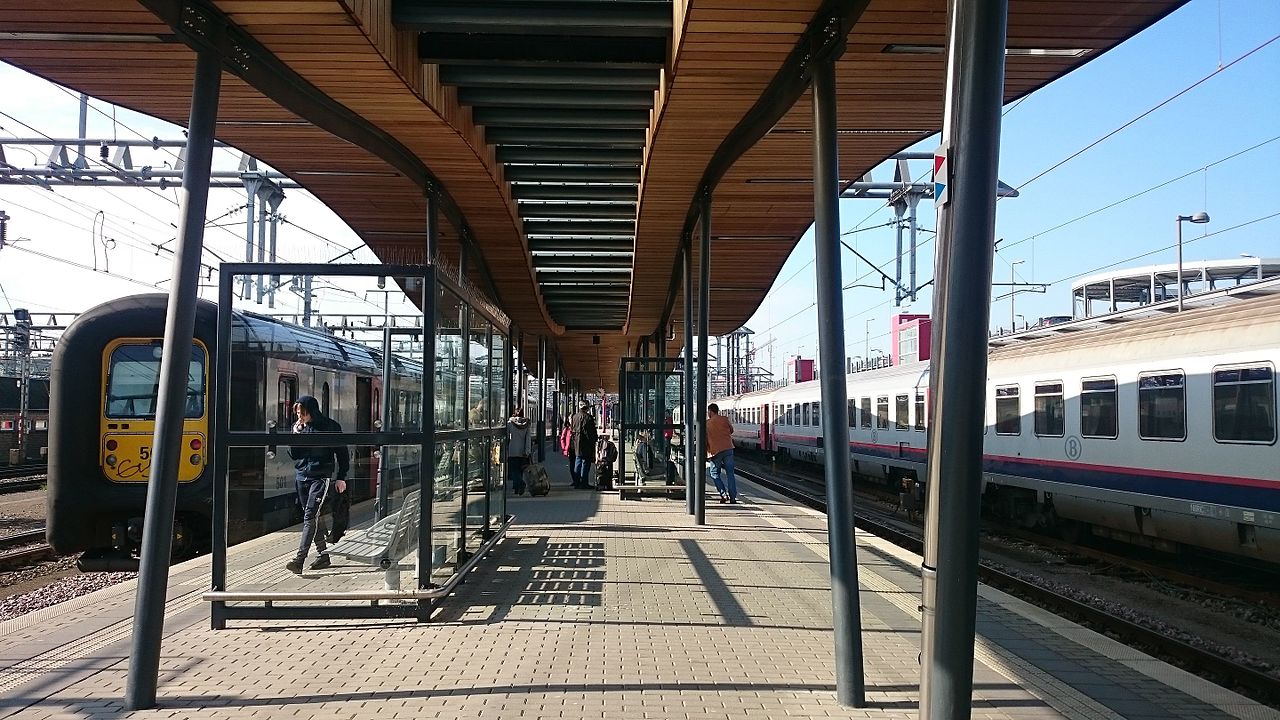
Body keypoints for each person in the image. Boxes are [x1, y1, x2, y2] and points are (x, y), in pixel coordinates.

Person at [285, 395, 350, 574]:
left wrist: (341, 477)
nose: (299, 416)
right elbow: (294, 455)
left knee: (310, 516)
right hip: (301, 476)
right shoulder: (299, 428)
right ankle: (323, 555)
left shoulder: (330, 426)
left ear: (311, 411)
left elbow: (342, 453)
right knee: (314, 517)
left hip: (321, 476)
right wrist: (295, 435)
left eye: (302, 413)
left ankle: (299, 560)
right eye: (297, 413)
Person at [705, 403, 737, 503]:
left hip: (716, 451)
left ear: (710, 411)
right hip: (728, 448)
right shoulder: (725, 419)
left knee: (714, 473)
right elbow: (731, 431)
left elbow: (705, 438)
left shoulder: (707, 423)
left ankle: (723, 494)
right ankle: (733, 497)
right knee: (730, 473)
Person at [569, 402, 598, 489]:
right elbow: (591, 432)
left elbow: (572, 429)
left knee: (578, 461)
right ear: (587, 408)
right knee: (585, 463)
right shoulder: (588, 417)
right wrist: (594, 440)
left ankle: (576, 482)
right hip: (586, 443)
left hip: (576, 443)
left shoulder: (575, 417)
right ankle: (584, 483)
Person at [507, 407, 533, 495]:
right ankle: (517, 488)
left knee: (514, 470)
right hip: (523, 451)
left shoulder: (510, 423)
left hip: (512, 450)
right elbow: (528, 438)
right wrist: (527, 450)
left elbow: (507, 436)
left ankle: (520, 484)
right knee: (520, 470)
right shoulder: (526, 424)